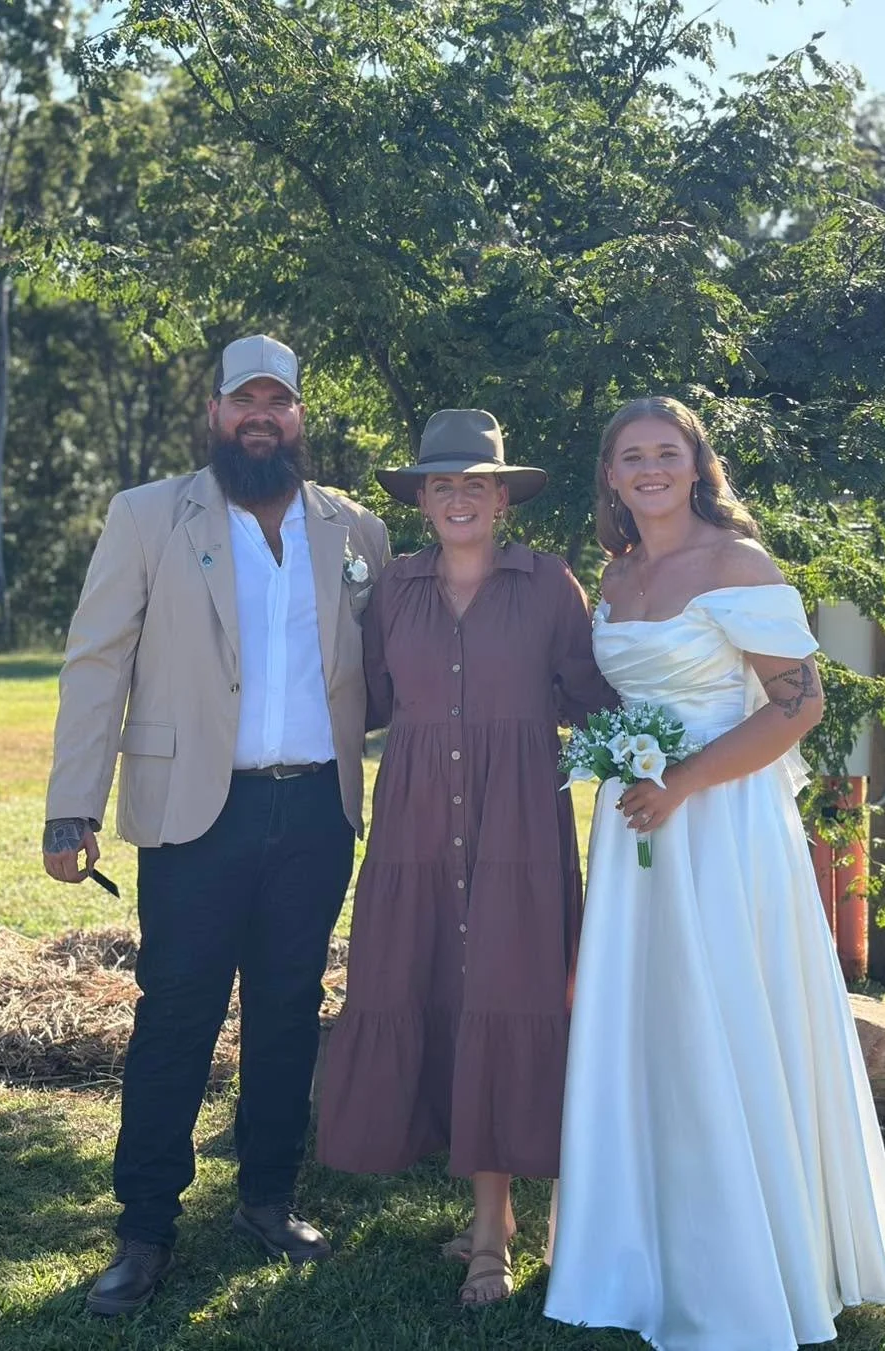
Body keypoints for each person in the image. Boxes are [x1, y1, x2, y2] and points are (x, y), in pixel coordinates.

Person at [545, 396, 885, 1349]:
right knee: (648, 1016)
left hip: (722, 823)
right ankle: (636, 1246)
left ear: (698, 465)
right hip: (636, 827)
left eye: (667, 452)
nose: (650, 468)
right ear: (611, 476)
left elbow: (798, 706)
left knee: (725, 1007)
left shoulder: (739, 564)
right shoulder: (618, 572)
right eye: (632, 456)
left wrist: (684, 783)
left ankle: (752, 1257)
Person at [42, 334, 390, 1316]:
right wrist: (71, 804)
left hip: (316, 809)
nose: (261, 417)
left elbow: (386, 666)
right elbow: (96, 660)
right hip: (196, 811)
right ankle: (145, 1228)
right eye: (246, 401)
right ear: (216, 412)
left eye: (278, 401)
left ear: (301, 416)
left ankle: (268, 1200)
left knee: (288, 1011)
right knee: (176, 1017)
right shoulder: (148, 515)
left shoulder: (357, 530)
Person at [315, 409, 615, 1307]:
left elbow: (594, 697)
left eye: (475, 485)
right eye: (440, 484)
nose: (458, 498)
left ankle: (491, 1235)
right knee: (433, 990)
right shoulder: (394, 589)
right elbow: (364, 698)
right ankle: (495, 1213)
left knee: (506, 997)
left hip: (518, 831)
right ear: (420, 501)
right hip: (413, 827)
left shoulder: (549, 584)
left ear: (501, 498)